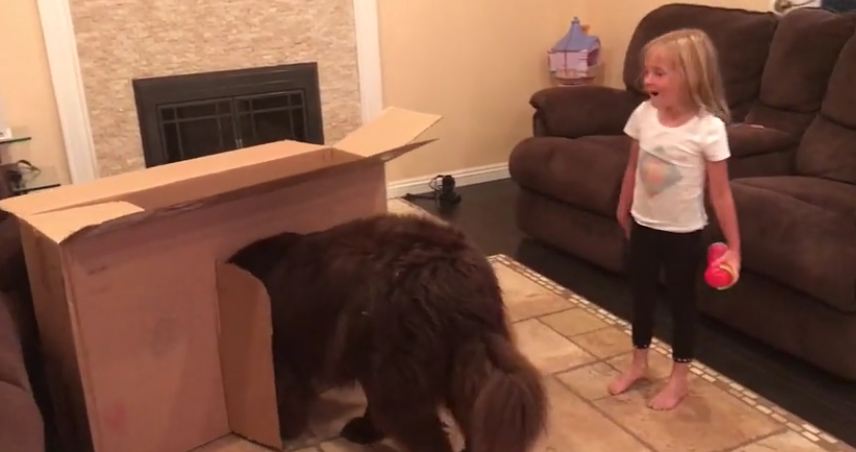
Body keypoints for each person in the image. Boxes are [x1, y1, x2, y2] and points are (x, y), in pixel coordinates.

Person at [607, 28, 742, 410]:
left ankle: (679, 377)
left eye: (659, 73)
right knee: (641, 296)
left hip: (684, 233)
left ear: (691, 76)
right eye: (647, 71)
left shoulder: (708, 129)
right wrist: (623, 204)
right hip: (643, 225)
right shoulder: (643, 115)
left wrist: (734, 246)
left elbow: (720, 193)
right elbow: (633, 167)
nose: (647, 80)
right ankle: (639, 363)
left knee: (681, 302)